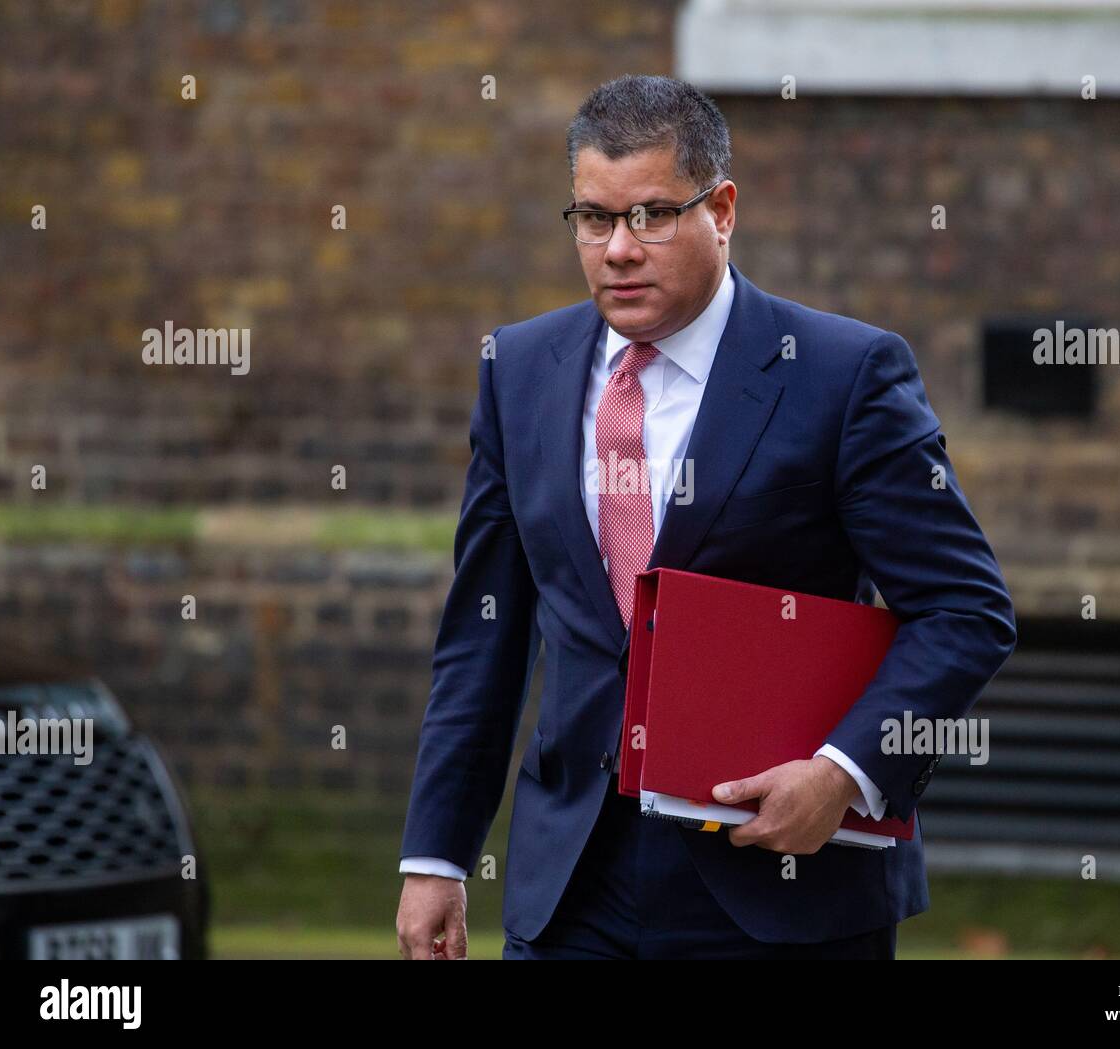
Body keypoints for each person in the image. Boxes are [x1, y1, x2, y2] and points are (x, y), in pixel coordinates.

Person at [396, 74, 1016, 960]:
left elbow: (965, 611)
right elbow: (483, 638)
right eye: (593, 218)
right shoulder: (519, 370)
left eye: (651, 214)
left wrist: (842, 776)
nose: (618, 248)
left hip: (783, 888)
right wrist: (436, 855)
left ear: (722, 209)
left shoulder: (843, 376)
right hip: (571, 888)